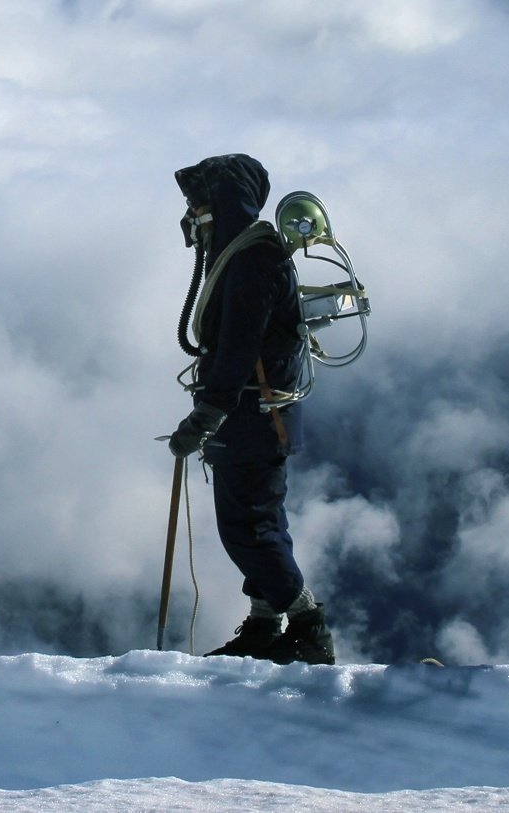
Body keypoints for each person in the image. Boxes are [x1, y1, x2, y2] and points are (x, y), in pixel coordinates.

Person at [165, 153, 334, 665]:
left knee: (247, 528)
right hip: (256, 417)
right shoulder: (247, 254)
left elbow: (239, 344)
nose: (191, 213)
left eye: (198, 202)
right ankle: (265, 622)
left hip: (252, 416)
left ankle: (307, 624)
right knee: (260, 521)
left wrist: (207, 415)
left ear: (220, 202)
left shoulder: (252, 258)